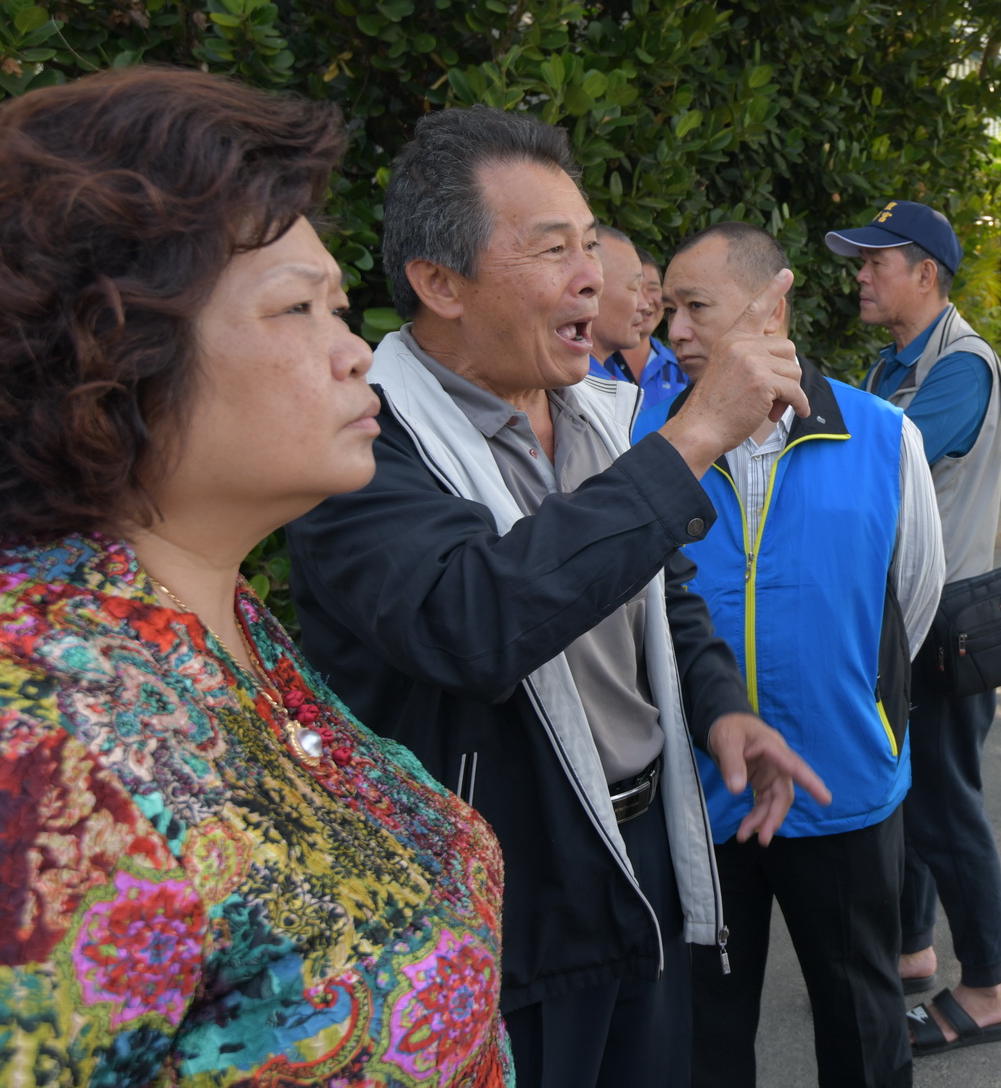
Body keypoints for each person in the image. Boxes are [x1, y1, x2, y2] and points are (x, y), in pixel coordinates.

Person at [0, 67, 511, 1081]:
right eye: (297, 310)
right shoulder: (26, 748)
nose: (356, 353)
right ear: (118, 347)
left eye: (339, 307)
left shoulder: (219, 617)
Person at [285, 108, 828, 1088]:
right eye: (552, 251)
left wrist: (721, 707)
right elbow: (471, 620)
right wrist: (693, 438)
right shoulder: (363, 442)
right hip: (498, 900)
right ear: (439, 282)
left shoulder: (598, 418)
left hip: (643, 856)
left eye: (592, 244)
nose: (598, 277)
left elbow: (661, 593)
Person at [637, 222, 945, 1087]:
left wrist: (859, 704)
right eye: (668, 311)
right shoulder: (657, 448)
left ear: (773, 302)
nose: (676, 334)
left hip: (841, 787)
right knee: (709, 1028)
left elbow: (911, 597)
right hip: (707, 791)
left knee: (862, 1020)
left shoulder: (883, 435)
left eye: (695, 307)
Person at [825, 200, 1001, 1054]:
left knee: (947, 809)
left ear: (925, 274)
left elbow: (873, 457)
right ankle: (911, 950)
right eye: (859, 261)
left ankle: (988, 989)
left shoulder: (961, 366)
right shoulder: (889, 362)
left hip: (947, 625)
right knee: (914, 795)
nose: (861, 275)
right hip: (904, 620)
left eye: (876, 261)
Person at [587, 226, 688, 406]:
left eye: (654, 289)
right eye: (635, 288)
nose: (644, 303)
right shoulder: (566, 379)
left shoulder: (681, 366)